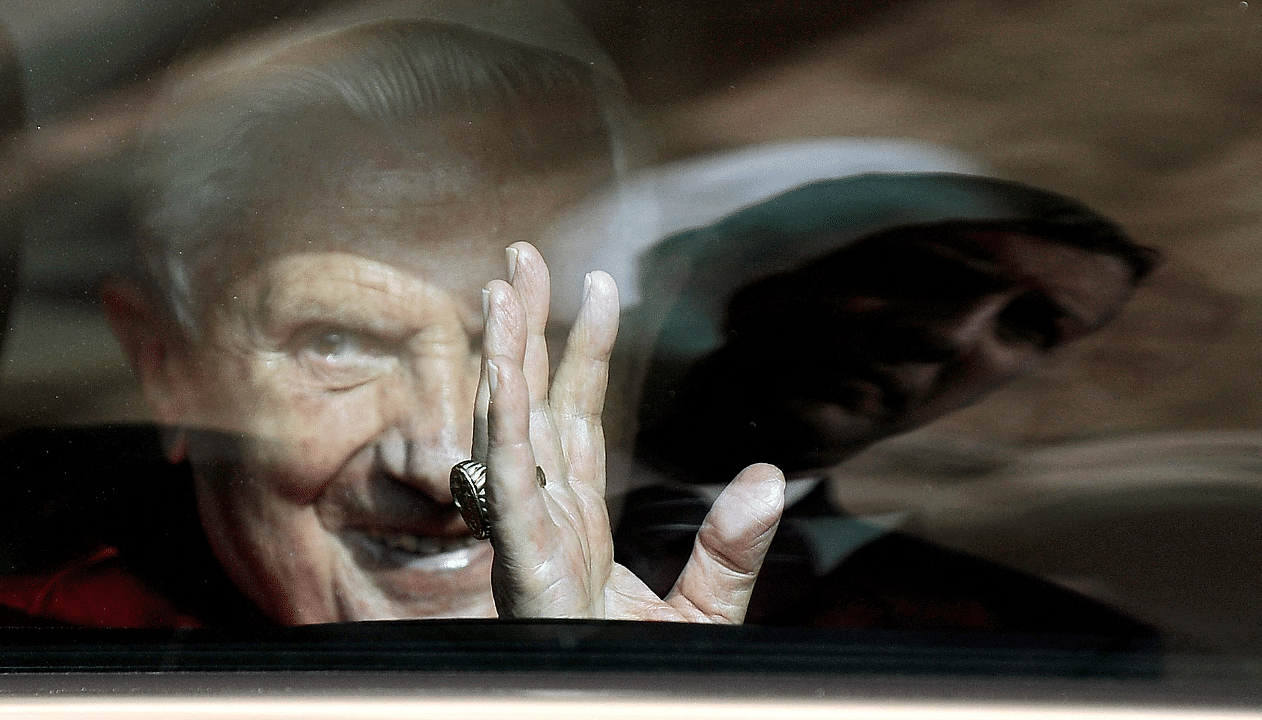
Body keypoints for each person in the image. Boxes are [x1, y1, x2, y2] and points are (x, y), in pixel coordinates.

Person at [0, 7, 785, 627]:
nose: (448, 463)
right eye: (337, 343)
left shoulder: (833, 643)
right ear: (165, 366)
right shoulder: (52, 657)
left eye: (533, 342)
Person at [608, 169, 1162, 635]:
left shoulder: (1034, 644)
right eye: (932, 276)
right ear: (761, 273)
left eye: (1029, 327)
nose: (947, 335)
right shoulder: (530, 446)